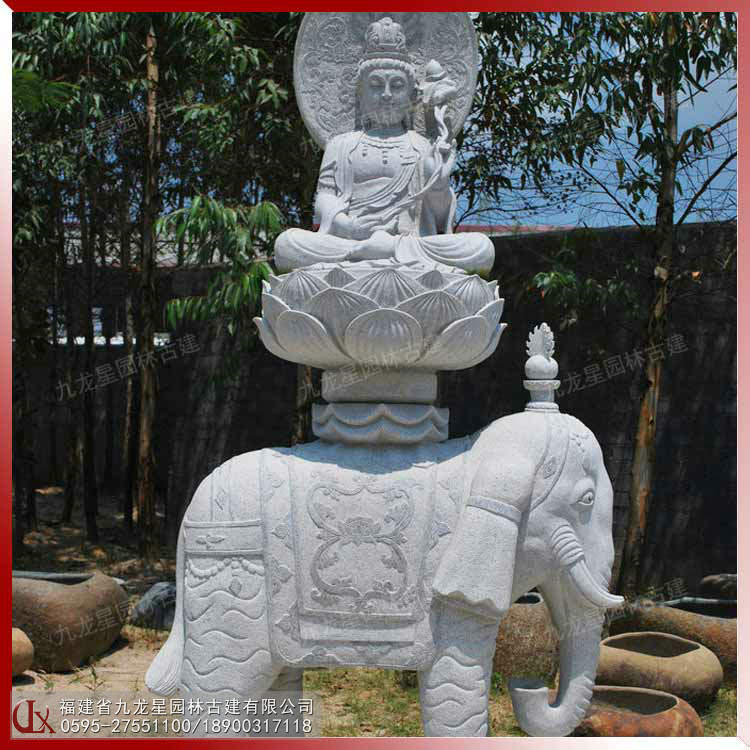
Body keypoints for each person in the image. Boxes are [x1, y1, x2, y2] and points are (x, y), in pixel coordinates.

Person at [274, 16, 494, 276]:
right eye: (376, 85)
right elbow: (325, 198)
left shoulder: (422, 146)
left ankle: (378, 252)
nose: (387, 94)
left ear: (412, 94)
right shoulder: (341, 145)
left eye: (397, 85)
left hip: (409, 243)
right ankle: (365, 250)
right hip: (351, 240)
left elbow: (436, 218)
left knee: (480, 248)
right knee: (288, 244)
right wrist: (349, 227)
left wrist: (438, 184)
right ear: (360, 93)